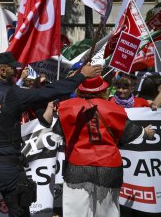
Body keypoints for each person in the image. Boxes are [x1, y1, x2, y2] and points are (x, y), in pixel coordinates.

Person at [0, 52, 102, 217]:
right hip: (8, 168)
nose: (16, 71)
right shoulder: (13, 94)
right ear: (3, 71)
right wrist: (81, 76)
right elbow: (52, 91)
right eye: (13, 68)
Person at [56, 76, 155, 217]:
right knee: (107, 212)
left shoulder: (67, 107)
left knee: (75, 211)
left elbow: (58, 132)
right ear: (103, 90)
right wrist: (146, 132)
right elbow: (128, 132)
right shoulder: (114, 108)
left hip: (77, 165)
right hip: (109, 167)